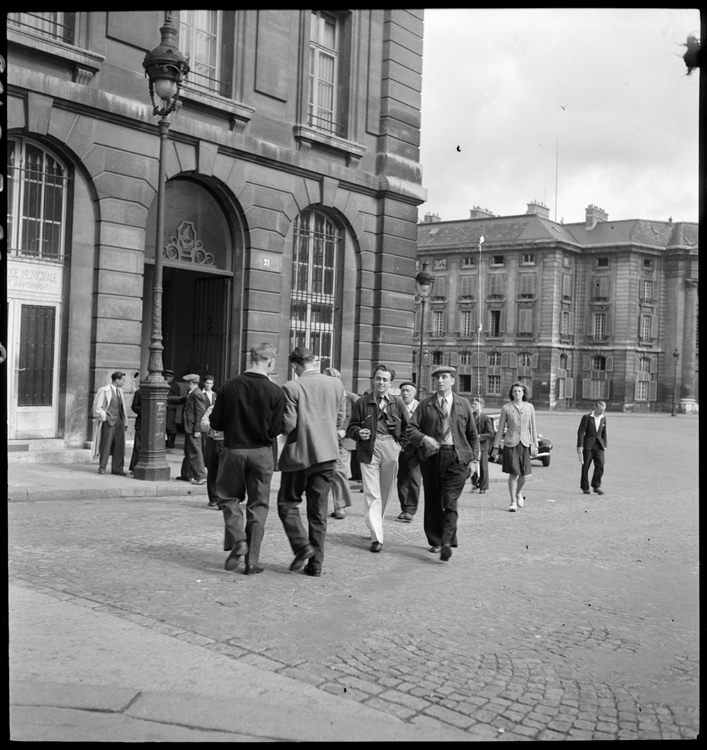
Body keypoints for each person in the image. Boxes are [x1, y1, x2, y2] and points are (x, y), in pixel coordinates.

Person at [209, 344, 285, 575]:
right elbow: (276, 429)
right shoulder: (276, 392)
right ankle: (252, 561)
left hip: (233, 450)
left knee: (228, 497)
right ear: (270, 362)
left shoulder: (229, 385)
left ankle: (238, 538)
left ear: (250, 359)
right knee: (258, 505)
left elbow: (216, 423)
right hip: (262, 453)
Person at [277, 347, 346, 577]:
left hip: (301, 454)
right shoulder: (335, 384)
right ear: (314, 360)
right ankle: (316, 565)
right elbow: (339, 416)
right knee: (318, 512)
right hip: (327, 454)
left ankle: (302, 546)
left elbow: (288, 424)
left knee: (287, 503)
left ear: (294, 366)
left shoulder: (291, 387)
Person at [406, 365, 479, 561]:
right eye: (437, 378)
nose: (440, 381)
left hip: (457, 458)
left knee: (450, 500)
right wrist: (424, 439)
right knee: (432, 501)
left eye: (444, 377)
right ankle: (436, 541)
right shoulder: (425, 405)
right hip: (431, 458)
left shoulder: (463, 404)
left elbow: (472, 435)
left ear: (452, 381)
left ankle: (447, 542)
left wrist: (474, 459)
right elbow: (410, 429)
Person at [347, 365, 409, 552]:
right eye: (378, 378)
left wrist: (400, 445)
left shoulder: (397, 403)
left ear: (390, 383)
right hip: (368, 449)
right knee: (372, 493)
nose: (381, 382)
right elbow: (351, 427)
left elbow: (409, 428)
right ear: (373, 380)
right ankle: (377, 537)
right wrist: (359, 432)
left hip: (391, 447)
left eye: (385, 379)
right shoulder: (362, 402)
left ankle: (376, 526)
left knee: (385, 491)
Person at [490, 382, 538, 512]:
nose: (517, 393)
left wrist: (535, 444)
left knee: (524, 475)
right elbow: (500, 429)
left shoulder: (530, 407)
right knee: (513, 474)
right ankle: (512, 502)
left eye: (519, 391)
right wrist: (495, 447)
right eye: (515, 391)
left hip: (525, 443)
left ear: (524, 393)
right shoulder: (506, 408)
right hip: (510, 443)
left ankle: (518, 493)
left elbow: (533, 427)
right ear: (511, 393)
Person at [323, 367, 359, 520]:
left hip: (344, 441)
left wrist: (346, 430)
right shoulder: (323, 398)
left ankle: (341, 506)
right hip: (325, 440)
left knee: (339, 471)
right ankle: (324, 506)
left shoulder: (352, 398)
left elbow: (358, 419)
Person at [92, 371, 128, 476]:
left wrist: (124, 421)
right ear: (117, 380)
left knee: (119, 446)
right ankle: (102, 467)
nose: (124, 382)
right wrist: (105, 417)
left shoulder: (120, 391)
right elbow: (98, 407)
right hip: (109, 421)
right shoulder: (104, 390)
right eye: (123, 380)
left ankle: (117, 469)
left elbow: (122, 408)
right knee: (106, 445)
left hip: (119, 421)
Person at [396, 381, 421, 522]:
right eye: (403, 391)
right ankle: (404, 507)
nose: (405, 393)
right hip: (400, 448)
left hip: (416, 449)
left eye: (408, 391)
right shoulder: (397, 407)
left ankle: (411, 509)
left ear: (414, 393)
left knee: (414, 478)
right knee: (402, 478)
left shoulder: (420, 407)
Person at [200, 374, 224, 508]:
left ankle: (222, 498)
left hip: (224, 442)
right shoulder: (211, 409)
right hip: (212, 441)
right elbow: (203, 424)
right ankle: (213, 498)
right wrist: (213, 425)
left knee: (223, 471)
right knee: (212, 470)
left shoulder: (230, 410)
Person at [179, 373, 207, 485]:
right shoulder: (192, 393)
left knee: (195, 452)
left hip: (192, 428)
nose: (185, 385)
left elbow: (200, 413)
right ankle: (187, 475)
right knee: (189, 451)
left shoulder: (196, 394)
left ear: (190, 383)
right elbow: (182, 400)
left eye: (186, 383)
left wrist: (197, 430)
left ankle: (201, 476)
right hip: (190, 427)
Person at [577, 400, 608, 495]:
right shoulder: (586, 417)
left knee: (601, 465)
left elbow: (604, 432)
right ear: (595, 407)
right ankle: (585, 487)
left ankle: (596, 485)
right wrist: (580, 445)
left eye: (603, 410)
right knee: (586, 467)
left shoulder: (603, 418)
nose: (602, 412)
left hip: (599, 445)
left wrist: (605, 445)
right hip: (588, 445)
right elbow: (581, 432)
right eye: (600, 410)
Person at [470, 396, 495, 494]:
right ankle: (475, 483)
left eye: (475, 404)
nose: (473, 405)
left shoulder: (486, 418)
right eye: (473, 404)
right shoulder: (471, 416)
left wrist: (479, 437)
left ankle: (483, 486)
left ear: (481, 406)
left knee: (483, 466)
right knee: (472, 465)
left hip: (483, 446)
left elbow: (490, 433)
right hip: (472, 445)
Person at [165, 370, 187, 448]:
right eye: (166, 376)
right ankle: (166, 441)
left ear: (172, 377)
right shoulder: (162, 384)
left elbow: (177, 398)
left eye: (169, 376)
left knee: (170, 425)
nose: (167, 378)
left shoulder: (175, 386)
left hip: (171, 408)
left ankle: (171, 442)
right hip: (163, 408)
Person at [128, 373, 143, 473]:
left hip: (153, 425)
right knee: (138, 446)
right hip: (141, 423)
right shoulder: (139, 393)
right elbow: (134, 406)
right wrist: (144, 410)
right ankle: (134, 467)